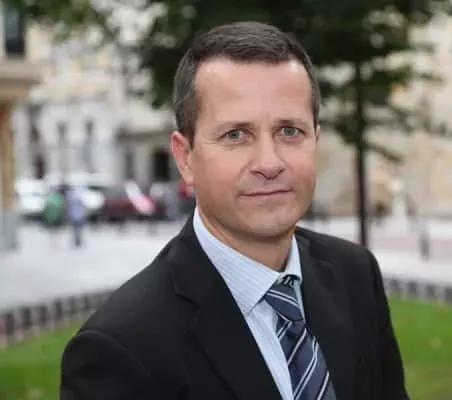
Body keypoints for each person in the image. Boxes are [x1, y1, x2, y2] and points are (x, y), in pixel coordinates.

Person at [60, 22, 409, 400]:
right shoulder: (119, 349)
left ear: (315, 140)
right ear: (185, 157)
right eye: (236, 135)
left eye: (289, 131)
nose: (269, 163)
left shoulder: (355, 275)